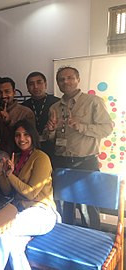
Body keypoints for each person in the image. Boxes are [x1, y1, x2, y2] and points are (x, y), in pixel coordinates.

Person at [45, 66, 113, 229]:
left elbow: (107, 129)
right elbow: (51, 138)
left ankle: (93, 246)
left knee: (88, 208)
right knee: (62, 206)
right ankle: (67, 242)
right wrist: (51, 130)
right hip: (61, 161)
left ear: (78, 79)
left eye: (69, 78)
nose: (65, 82)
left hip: (86, 162)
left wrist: (81, 126)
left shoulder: (93, 102)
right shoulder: (54, 108)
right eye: (61, 79)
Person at [0, 120, 59, 270]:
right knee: (15, 247)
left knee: (4, 231)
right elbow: (8, 191)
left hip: (42, 213)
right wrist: (1, 174)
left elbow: (31, 193)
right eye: (17, 135)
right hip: (21, 212)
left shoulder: (41, 157)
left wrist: (10, 175)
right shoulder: (18, 157)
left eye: (26, 134)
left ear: (33, 136)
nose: (21, 139)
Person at [0, 77, 35, 154]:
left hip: (18, 156)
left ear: (14, 92)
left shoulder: (26, 112)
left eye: (7, 91)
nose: (3, 95)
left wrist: (9, 122)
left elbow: (30, 138)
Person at [22, 71, 60, 157]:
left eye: (39, 82)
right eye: (31, 84)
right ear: (27, 87)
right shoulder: (23, 107)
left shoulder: (57, 102)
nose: (35, 86)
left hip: (53, 147)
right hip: (31, 147)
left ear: (45, 84)